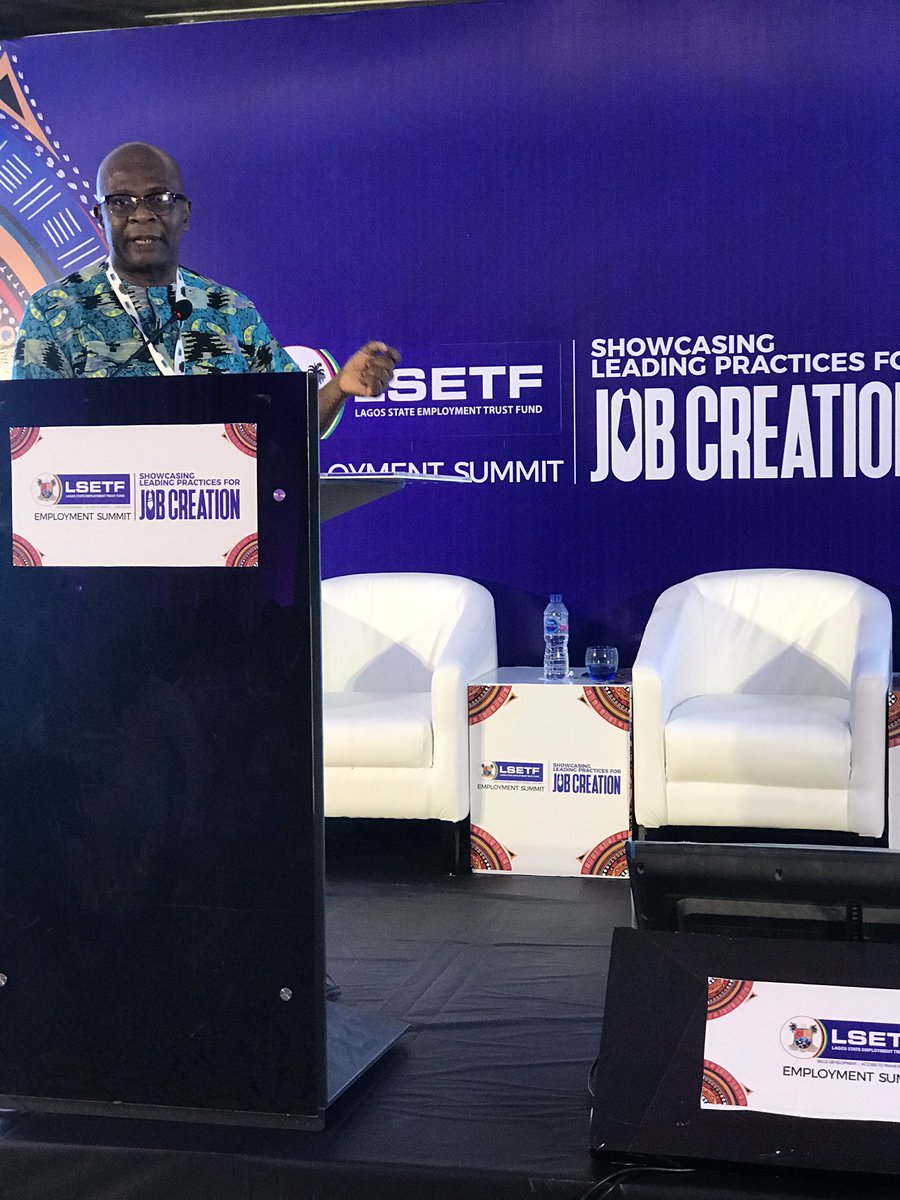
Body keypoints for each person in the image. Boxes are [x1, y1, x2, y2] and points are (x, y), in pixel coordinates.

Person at [12, 142, 399, 435]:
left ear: (185, 214)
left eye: (160, 199)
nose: (141, 214)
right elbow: (29, 438)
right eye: (120, 202)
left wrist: (339, 387)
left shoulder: (229, 309)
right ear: (100, 216)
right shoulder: (55, 310)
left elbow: (291, 422)